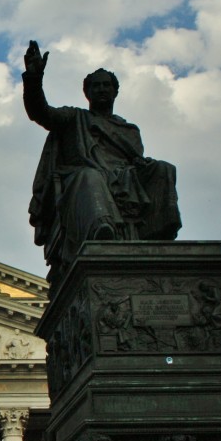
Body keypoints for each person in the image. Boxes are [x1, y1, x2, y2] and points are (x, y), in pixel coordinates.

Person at [22, 40, 181, 280]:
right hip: (83, 180)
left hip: (123, 179)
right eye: (96, 86)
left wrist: (140, 164)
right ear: (87, 93)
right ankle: (101, 228)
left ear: (115, 91)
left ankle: (159, 235)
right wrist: (34, 78)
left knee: (163, 169)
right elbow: (40, 111)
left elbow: (133, 160)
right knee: (91, 176)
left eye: (107, 85)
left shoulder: (129, 130)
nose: (102, 89)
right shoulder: (73, 117)